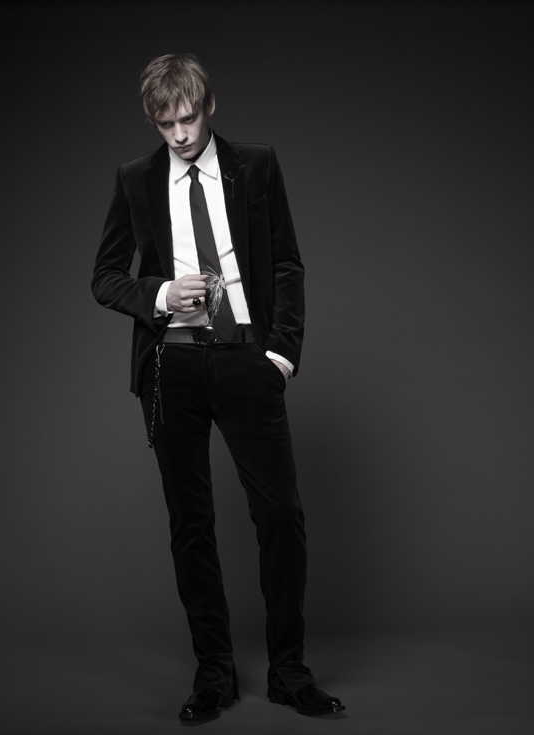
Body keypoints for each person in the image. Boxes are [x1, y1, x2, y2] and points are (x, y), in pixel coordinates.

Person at [91, 53, 344, 722]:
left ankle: (289, 672)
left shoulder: (255, 166)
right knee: (191, 523)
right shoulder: (136, 179)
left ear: (209, 106)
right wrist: (158, 294)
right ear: (153, 121)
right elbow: (104, 276)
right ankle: (214, 674)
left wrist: (280, 355)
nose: (179, 135)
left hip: (245, 360)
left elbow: (286, 262)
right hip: (170, 366)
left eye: (188, 118)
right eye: (164, 123)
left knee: (280, 516)